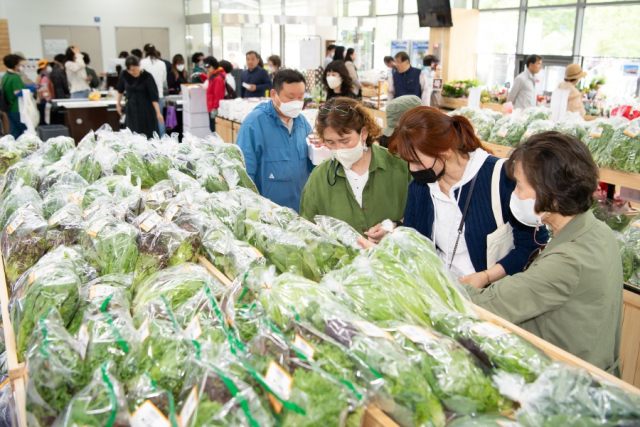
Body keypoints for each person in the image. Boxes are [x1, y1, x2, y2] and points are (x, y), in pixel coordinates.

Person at [461, 132, 622, 375]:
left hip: (569, 385)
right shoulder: (598, 231)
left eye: (519, 186)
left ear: (553, 194)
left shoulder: (568, 260)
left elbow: (490, 304)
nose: (514, 194)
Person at [385, 106, 547, 281]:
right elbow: (413, 240)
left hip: (492, 295)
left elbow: (532, 243)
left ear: (444, 150)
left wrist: (486, 277)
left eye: (416, 162)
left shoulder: (501, 177)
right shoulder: (420, 186)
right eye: (408, 162)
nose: (412, 169)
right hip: (445, 291)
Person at [300, 97, 412, 235]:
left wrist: (394, 226)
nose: (339, 149)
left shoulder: (399, 165)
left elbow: (423, 214)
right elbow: (307, 229)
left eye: (345, 141)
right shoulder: (319, 178)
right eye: (330, 142)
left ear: (363, 133)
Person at [236, 69, 311, 211]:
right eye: (290, 97)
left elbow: (312, 164)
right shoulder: (254, 124)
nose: (296, 103)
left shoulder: (302, 123)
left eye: (301, 97)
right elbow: (244, 175)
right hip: (268, 213)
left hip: (299, 210)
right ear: (273, 94)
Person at [116, 55, 163, 139]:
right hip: (131, 109)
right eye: (129, 70)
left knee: (147, 133)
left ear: (139, 65)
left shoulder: (147, 77)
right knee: (132, 133)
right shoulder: (125, 75)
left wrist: (158, 113)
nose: (132, 72)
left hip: (146, 110)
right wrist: (118, 104)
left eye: (134, 69)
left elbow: (153, 96)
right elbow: (120, 90)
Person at [140, 43, 167, 137]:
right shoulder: (162, 63)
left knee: (148, 119)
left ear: (144, 52)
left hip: (146, 96)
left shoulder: (142, 63)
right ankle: (163, 140)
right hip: (159, 94)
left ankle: (150, 139)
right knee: (160, 118)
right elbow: (164, 79)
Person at [1, 54, 27, 138]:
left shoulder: (5, 76)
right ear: (16, 65)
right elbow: (17, 93)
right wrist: (30, 90)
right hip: (17, 108)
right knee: (24, 131)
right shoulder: (15, 77)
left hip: (8, 107)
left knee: (14, 130)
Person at [202, 56, 226, 133]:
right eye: (205, 66)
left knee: (215, 130)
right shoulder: (212, 75)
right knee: (213, 129)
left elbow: (219, 95)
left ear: (214, 66)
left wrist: (215, 108)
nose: (207, 69)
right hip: (210, 107)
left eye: (209, 66)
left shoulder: (217, 78)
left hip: (214, 109)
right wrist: (201, 75)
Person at [36, 59, 53, 125]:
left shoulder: (40, 76)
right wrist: (48, 100)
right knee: (44, 120)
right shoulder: (44, 78)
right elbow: (44, 91)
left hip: (41, 101)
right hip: (44, 101)